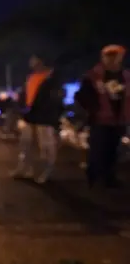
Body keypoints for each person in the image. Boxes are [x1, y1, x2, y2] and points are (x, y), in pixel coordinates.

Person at [75, 44, 130, 190]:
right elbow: (81, 96)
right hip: (99, 120)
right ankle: (93, 178)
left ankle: (109, 178)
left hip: (119, 119)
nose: (112, 59)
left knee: (113, 150)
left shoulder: (126, 76)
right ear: (103, 57)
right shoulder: (93, 76)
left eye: (116, 56)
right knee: (97, 150)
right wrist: (92, 108)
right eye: (109, 56)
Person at [11, 55, 64, 184]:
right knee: (25, 143)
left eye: (35, 59)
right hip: (30, 116)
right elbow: (25, 95)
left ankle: (46, 171)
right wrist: (21, 108)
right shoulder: (31, 77)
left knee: (46, 146)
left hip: (44, 118)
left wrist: (53, 116)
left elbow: (54, 100)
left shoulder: (52, 78)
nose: (32, 62)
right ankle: (25, 168)